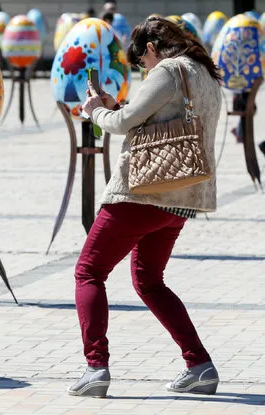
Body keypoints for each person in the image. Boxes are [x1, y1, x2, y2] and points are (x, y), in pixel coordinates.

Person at [70, 16, 222, 397]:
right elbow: (152, 117)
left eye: (141, 63)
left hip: (142, 193)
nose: (143, 69)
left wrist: (95, 110)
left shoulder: (169, 70)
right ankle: (199, 365)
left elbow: (122, 123)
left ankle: (95, 368)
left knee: (88, 272)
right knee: (150, 282)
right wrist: (117, 106)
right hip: (182, 196)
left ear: (151, 48)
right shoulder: (203, 73)